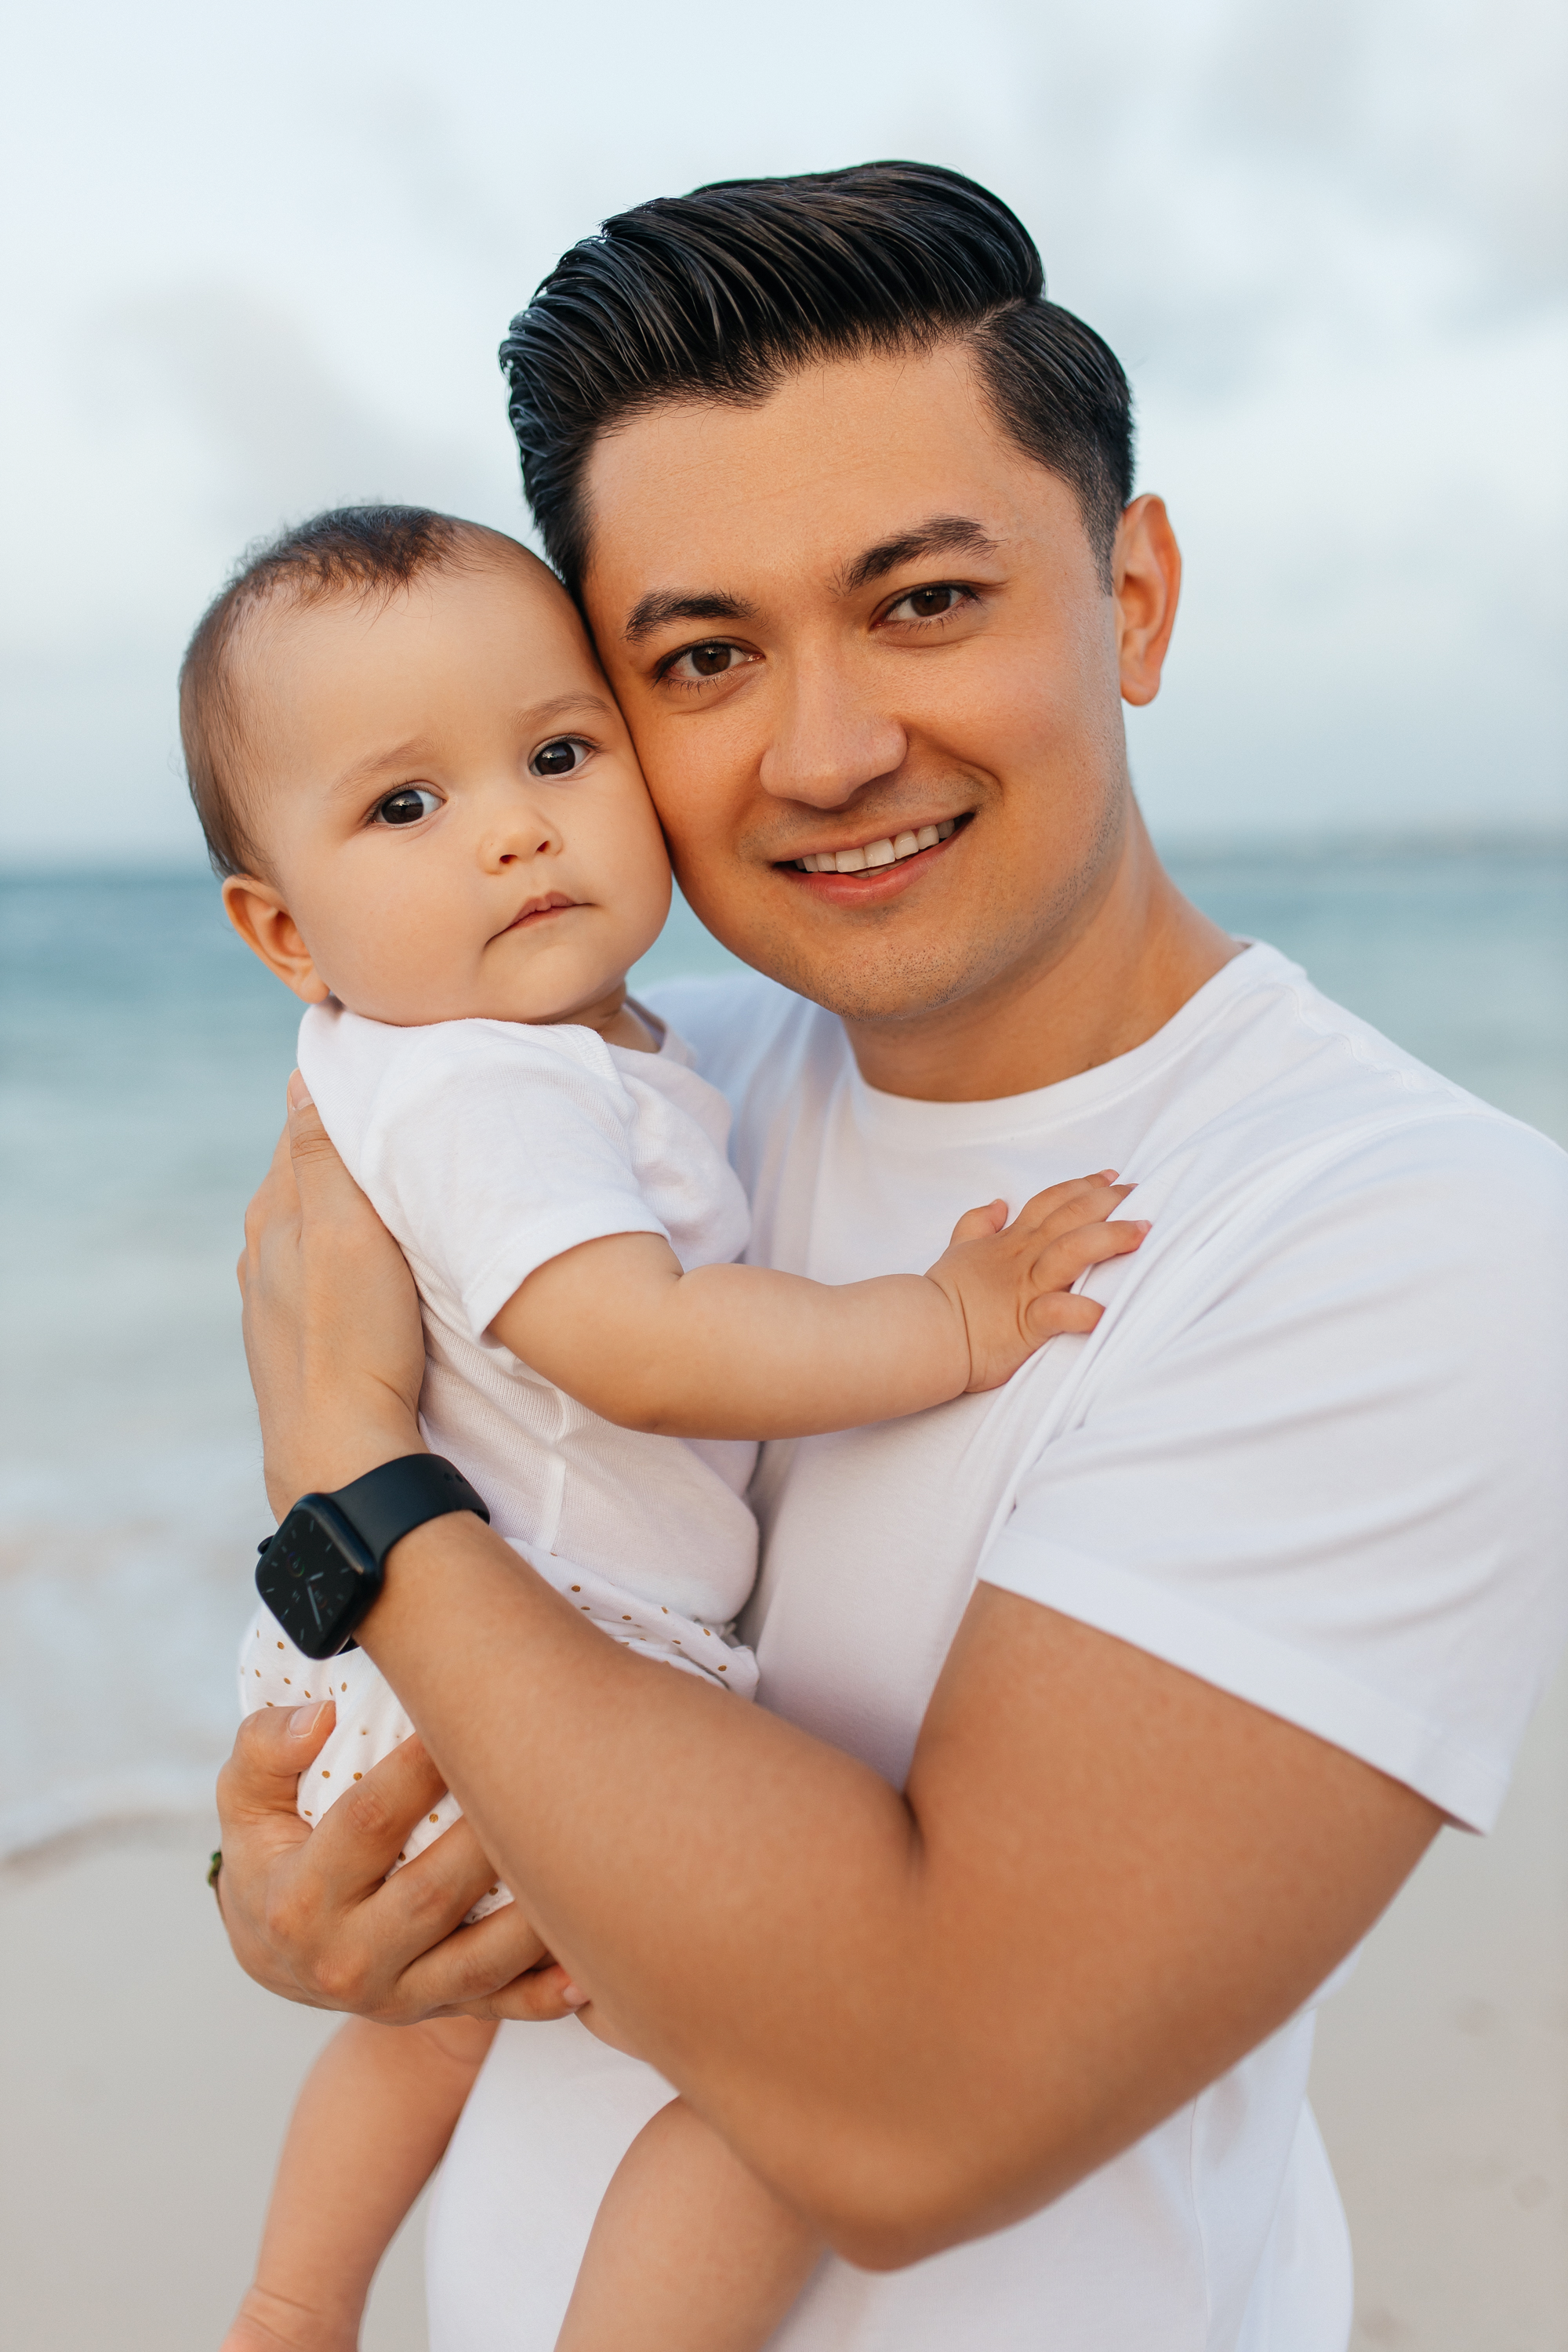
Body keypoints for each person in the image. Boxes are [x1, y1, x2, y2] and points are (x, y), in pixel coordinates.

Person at [213, 164, 1568, 2350]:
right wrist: (299, 1895)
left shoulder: (1408, 1236)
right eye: (704, 657)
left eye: (926, 602)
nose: (831, 747)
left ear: (1133, 595)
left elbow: (916, 2109)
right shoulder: (623, 1100)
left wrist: (358, 1488)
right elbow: (400, 1712)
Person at [183, 502, 1140, 2352]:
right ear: (282, 928)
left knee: (442, 2029)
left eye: (556, 752)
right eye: (407, 807)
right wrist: (942, 1321)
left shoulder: (496, 1050)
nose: (515, 825)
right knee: (799, 2084)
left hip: (397, 1657)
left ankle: (292, 2309)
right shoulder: (488, 1083)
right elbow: (634, 1341)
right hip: (544, 1649)